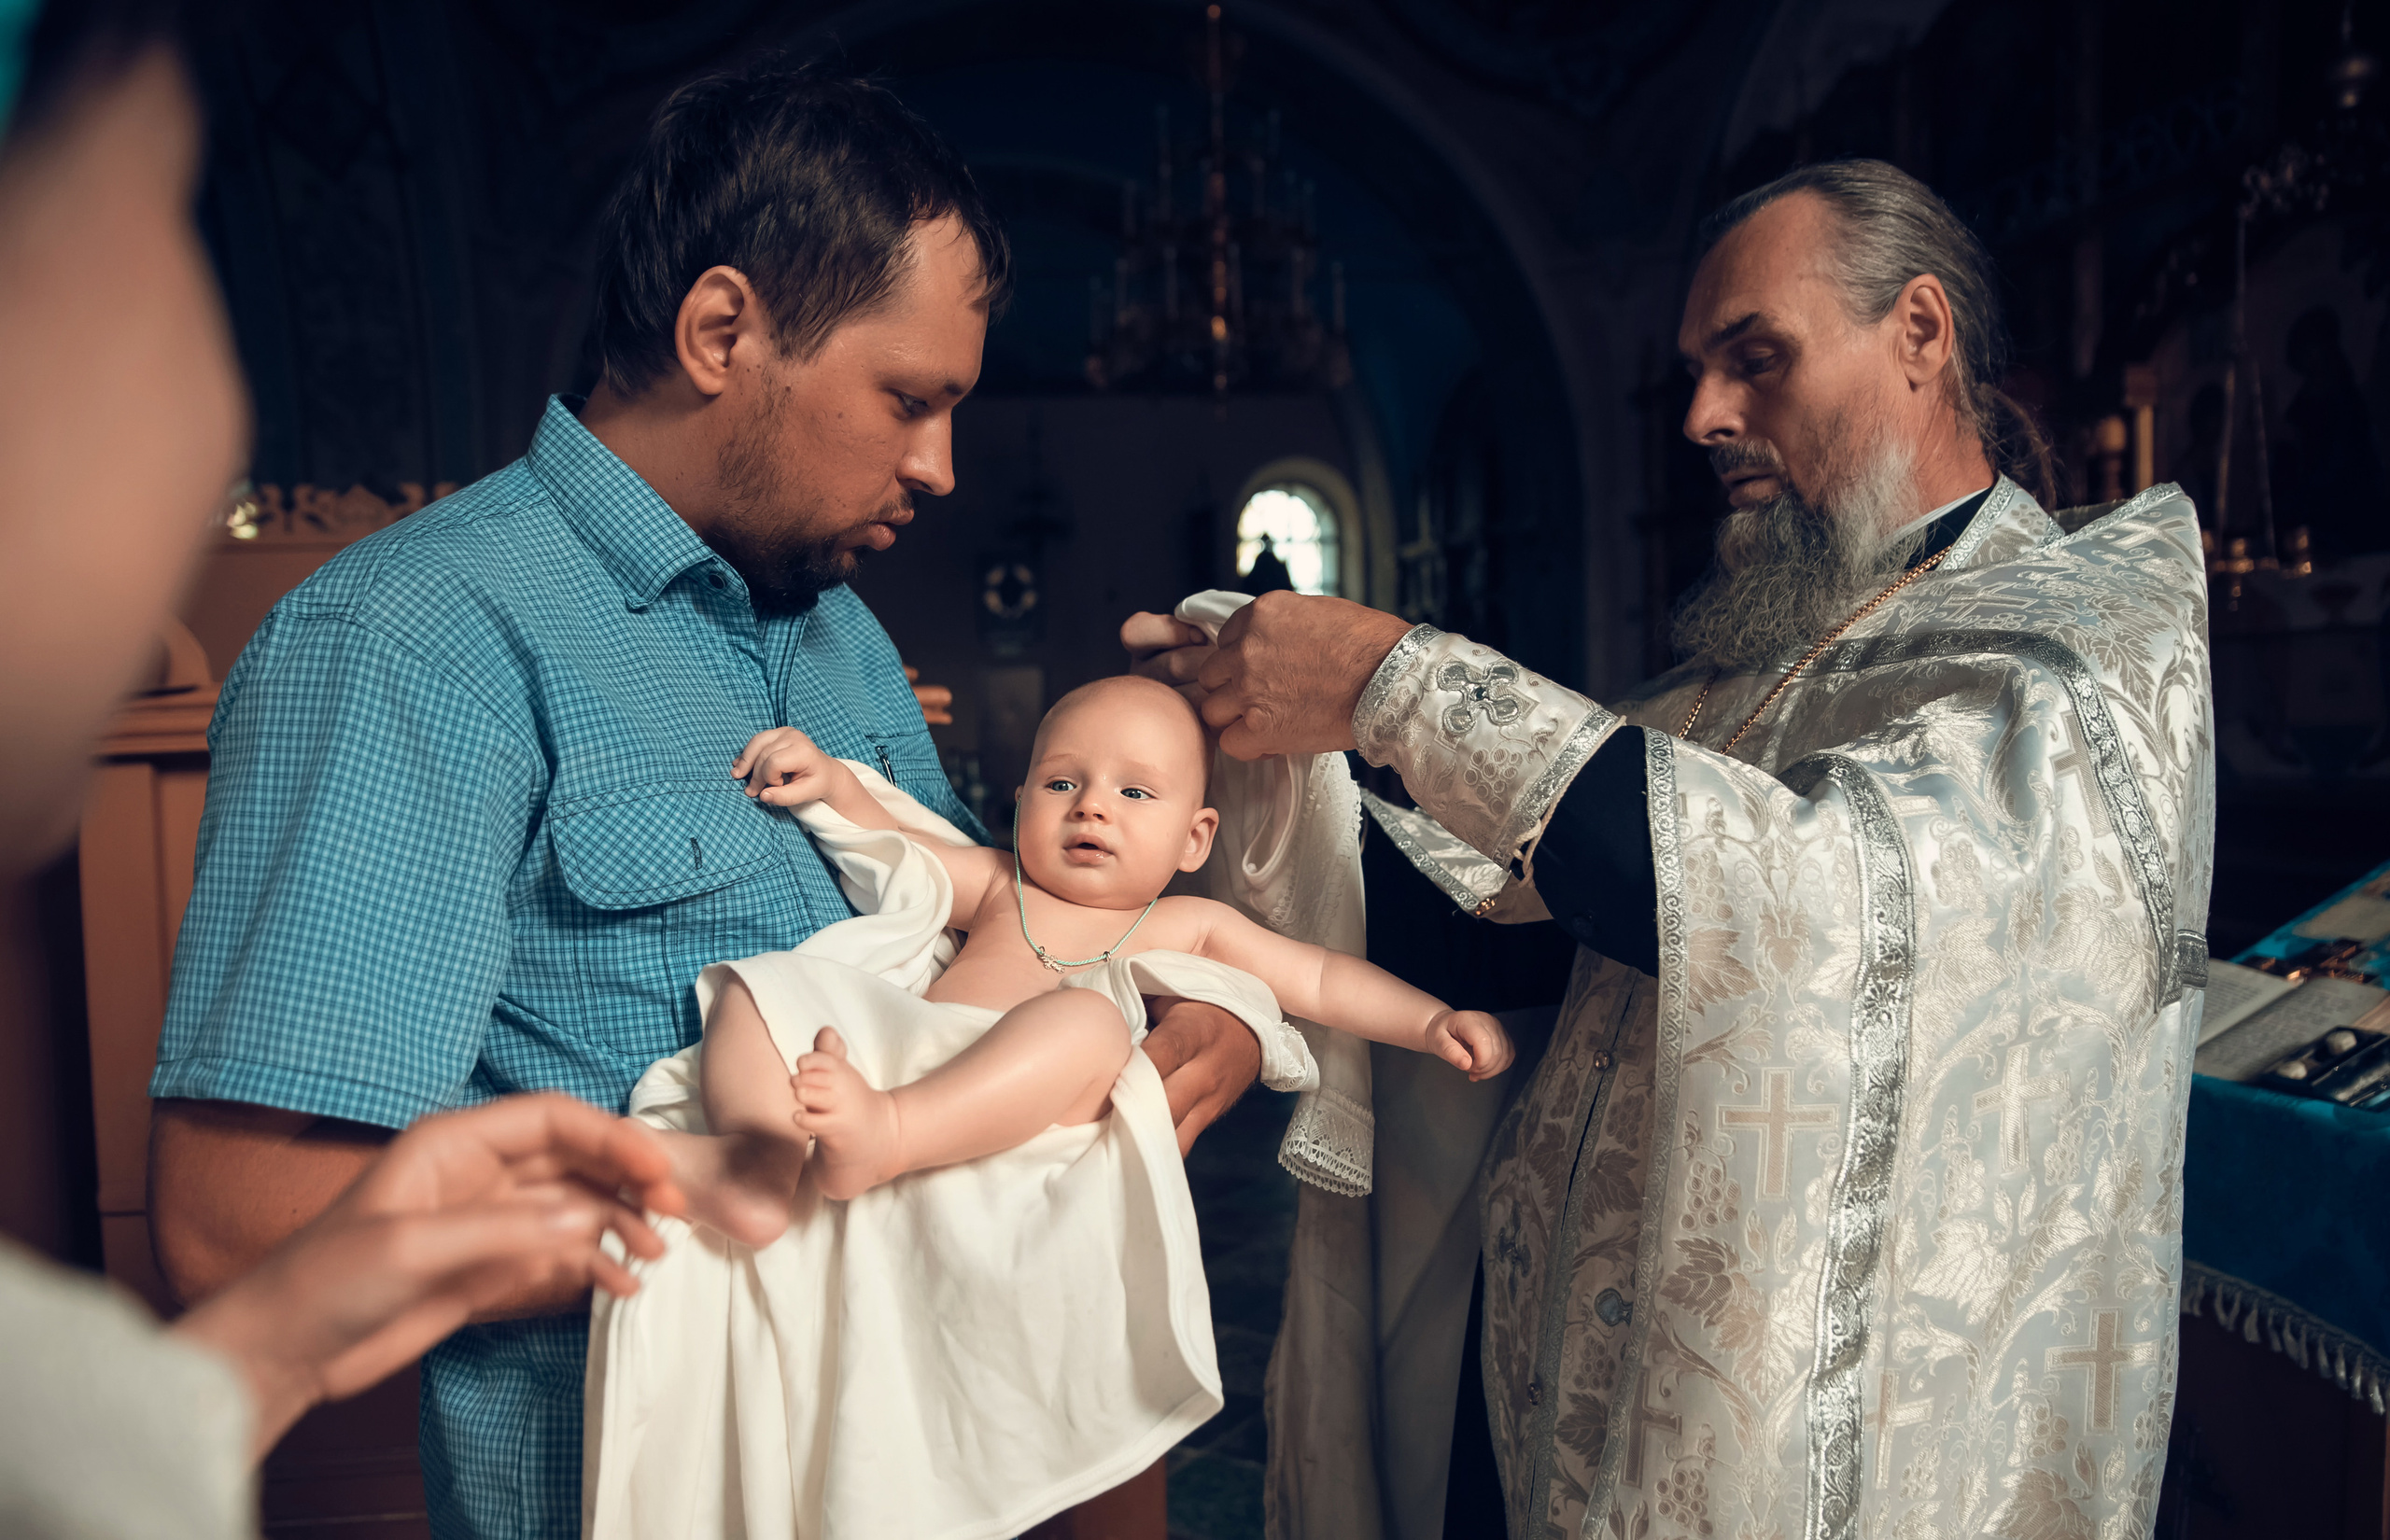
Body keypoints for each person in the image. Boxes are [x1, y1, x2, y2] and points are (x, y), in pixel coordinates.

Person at [146, 53, 1260, 1539]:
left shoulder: (838, 632)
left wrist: (1188, 1010)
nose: (940, 467)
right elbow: (240, 1228)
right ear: (723, 330)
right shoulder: (417, 642)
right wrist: (736, 1178)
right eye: (909, 400)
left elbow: (977, 959)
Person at [1130, 160, 2214, 1538]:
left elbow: (1825, 910)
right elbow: (1514, 920)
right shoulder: (1757, 660)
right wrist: (1263, 747)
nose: (1703, 415)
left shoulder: (2074, 652)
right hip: (1556, 1367)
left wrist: (1395, 683)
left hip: (1827, 1435)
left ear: (1921, 335)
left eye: (1755, 358)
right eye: (1700, 370)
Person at [0, 5, 685, 1537]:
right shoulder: (400, 634)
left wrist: (269, 1344)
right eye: (169, 224)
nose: (227, 408)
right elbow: (227, 1227)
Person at [700, 675, 1511, 1221]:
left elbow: (1322, 978)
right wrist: (833, 784)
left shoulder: (1188, 924)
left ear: (1195, 839)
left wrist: (1432, 1021)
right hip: (912, 1059)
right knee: (763, 986)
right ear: (1020, 807)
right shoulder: (995, 884)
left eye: (1134, 792)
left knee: (1085, 1020)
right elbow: (888, 841)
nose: (1092, 808)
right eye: (1062, 784)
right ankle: (758, 1160)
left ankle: (894, 1136)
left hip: (1024, 1106)